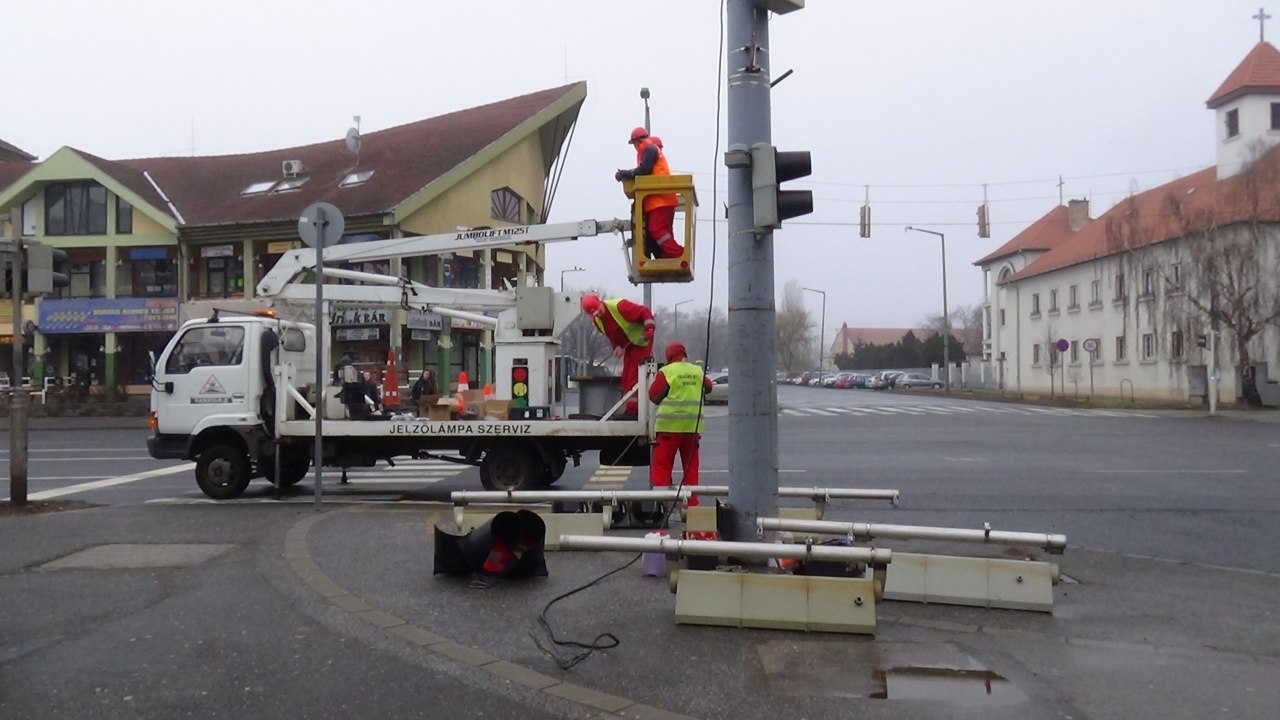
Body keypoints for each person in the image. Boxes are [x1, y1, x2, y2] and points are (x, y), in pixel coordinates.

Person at [648, 341, 713, 505]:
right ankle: (691, 505)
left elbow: (653, 396)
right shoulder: (697, 371)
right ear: (685, 354)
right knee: (691, 467)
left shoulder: (667, 371)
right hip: (692, 428)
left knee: (662, 465)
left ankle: (661, 503)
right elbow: (709, 387)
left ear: (669, 356)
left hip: (668, 427)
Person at [581, 293, 655, 416]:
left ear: (600, 302)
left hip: (642, 342)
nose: (598, 314)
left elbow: (645, 312)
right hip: (630, 345)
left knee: (634, 376)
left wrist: (649, 329)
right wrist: (617, 347)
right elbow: (612, 335)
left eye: (599, 310)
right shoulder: (598, 321)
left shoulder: (620, 307)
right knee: (626, 377)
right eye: (595, 313)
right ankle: (631, 408)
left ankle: (635, 411)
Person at [614, 126, 683, 260]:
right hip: (661, 199)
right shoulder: (650, 149)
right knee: (656, 236)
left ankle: (679, 254)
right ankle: (666, 258)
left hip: (660, 200)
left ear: (636, 141)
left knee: (655, 229)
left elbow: (644, 170)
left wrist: (624, 174)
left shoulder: (649, 149)